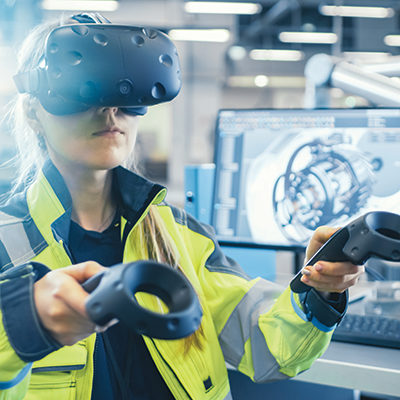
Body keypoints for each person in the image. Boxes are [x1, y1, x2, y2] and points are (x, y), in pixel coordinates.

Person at [0, 12, 364, 400]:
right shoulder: (7, 247)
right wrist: (21, 327)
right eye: (81, 90)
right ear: (33, 112)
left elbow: (269, 351)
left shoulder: (182, 237)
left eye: (126, 95)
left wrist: (317, 289)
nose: (109, 110)